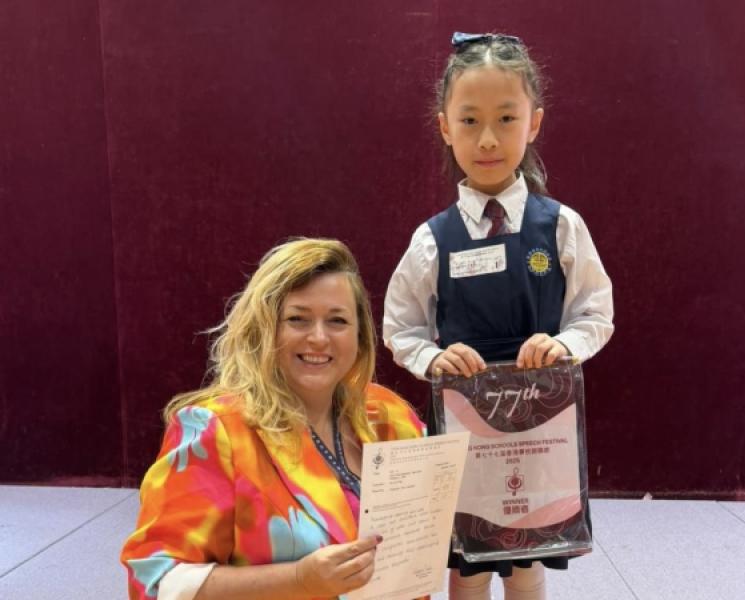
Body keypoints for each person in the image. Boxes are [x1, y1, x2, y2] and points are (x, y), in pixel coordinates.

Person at [383, 32, 614, 599]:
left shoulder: (560, 227)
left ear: (534, 122)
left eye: (506, 118)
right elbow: (401, 327)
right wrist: (433, 357)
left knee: (530, 554)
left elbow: (594, 311)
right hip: (463, 418)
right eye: (470, 121)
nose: (487, 139)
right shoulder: (432, 241)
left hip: (539, 420)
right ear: (445, 127)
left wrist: (565, 345)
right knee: (467, 562)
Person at [121, 238, 426, 600]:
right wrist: (297, 580)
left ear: (359, 335)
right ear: (264, 328)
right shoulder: (216, 430)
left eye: (337, 320)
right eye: (297, 319)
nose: (319, 337)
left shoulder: (389, 415)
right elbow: (155, 582)